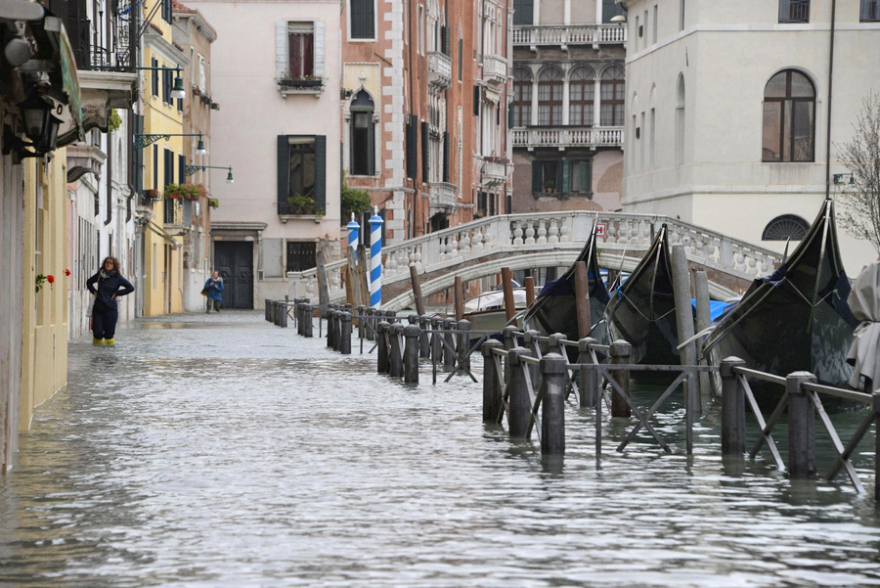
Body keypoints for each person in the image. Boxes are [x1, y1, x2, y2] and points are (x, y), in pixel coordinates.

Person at [86, 257, 135, 346]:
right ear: (104, 264)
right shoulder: (100, 275)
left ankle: (109, 356)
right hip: (98, 307)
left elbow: (131, 288)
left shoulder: (118, 277)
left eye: (110, 263)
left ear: (114, 266)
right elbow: (89, 282)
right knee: (97, 333)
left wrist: (117, 293)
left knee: (109, 334)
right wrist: (94, 291)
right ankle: (97, 353)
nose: (108, 264)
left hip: (111, 308)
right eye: (107, 263)